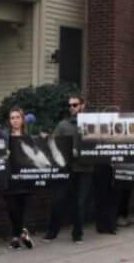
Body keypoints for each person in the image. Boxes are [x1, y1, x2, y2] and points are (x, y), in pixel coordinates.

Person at [44, 94, 92, 244]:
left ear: (82, 105)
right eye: (70, 105)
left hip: (85, 169)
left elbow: (99, 144)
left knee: (80, 202)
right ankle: (51, 233)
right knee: (59, 200)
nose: (72, 108)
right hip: (67, 169)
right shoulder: (63, 125)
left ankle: (77, 234)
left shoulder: (92, 124)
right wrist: (47, 138)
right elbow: (54, 143)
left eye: (75, 105)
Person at [4, 107, 34, 250]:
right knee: (12, 208)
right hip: (9, 177)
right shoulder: (5, 138)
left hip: (23, 178)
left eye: (17, 117)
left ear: (22, 120)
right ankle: (22, 232)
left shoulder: (28, 138)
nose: (15, 120)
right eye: (12, 118)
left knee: (20, 209)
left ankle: (15, 238)